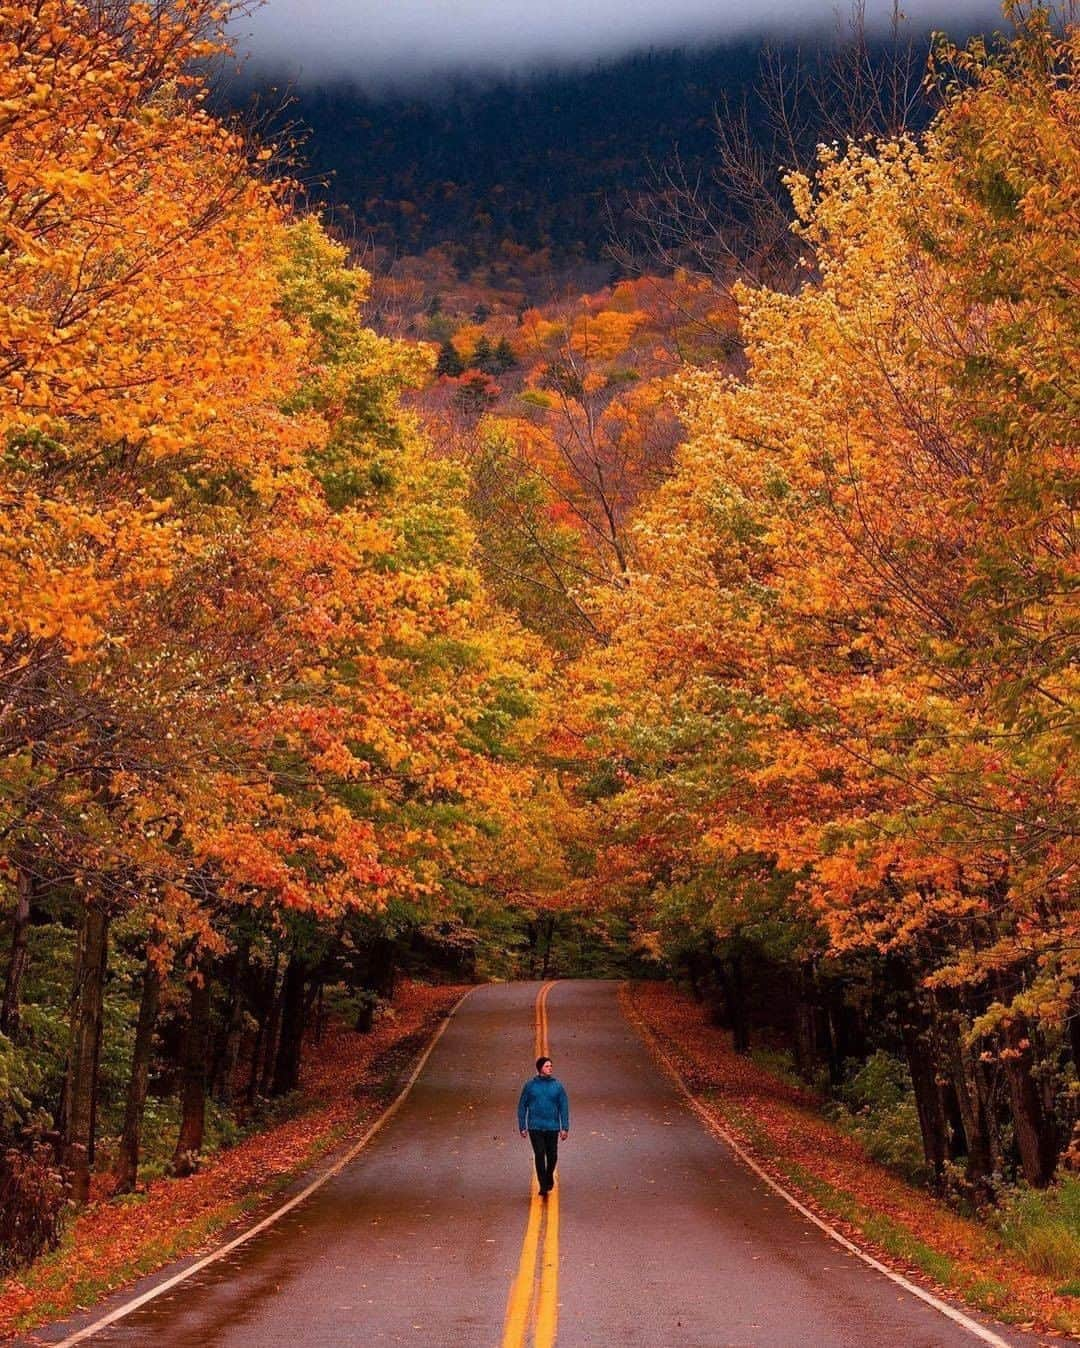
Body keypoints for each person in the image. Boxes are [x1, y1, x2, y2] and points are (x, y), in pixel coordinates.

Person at [517, 1055, 569, 1198]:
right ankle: (543, 1185)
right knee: (539, 1154)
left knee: (552, 1155)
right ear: (540, 1068)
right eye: (547, 1066)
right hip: (535, 1127)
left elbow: (563, 1107)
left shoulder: (557, 1086)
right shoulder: (530, 1086)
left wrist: (564, 1127)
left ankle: (549, 1175)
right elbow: (522, 1106)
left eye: (551, 1066)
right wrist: (522, 1126)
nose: (550, 1068)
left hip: (552, 1127)